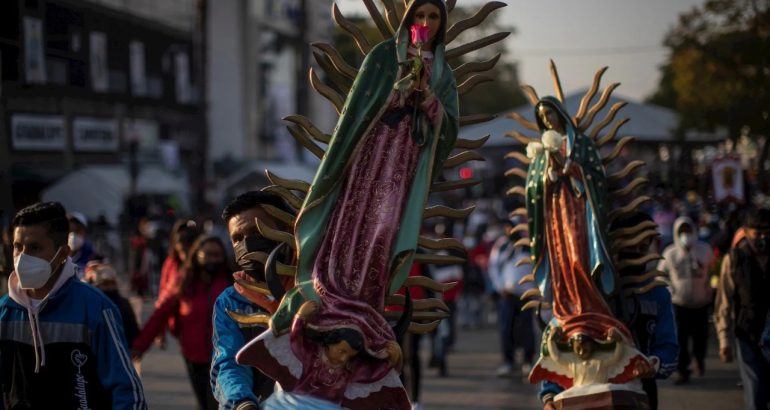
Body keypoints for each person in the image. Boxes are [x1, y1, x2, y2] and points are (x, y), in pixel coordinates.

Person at [0, 202, 146, 408]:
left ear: (62, 254)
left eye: (35, 247)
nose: (22, 257)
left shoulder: (95, 307)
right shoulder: (4, 312)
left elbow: (126, 389)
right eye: (17, 247)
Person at [540, 211, 678, 410]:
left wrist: (652, 364)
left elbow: (668, 347)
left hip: (637, 394)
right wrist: (549, 395)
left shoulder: (657, 293)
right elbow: (557, 348)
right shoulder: (584, 290)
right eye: (631, 244)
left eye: (644, 245)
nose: (638, 252)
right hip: (579, 393)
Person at [211, 191, 296, 409]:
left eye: (256, 231)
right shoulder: (231, 302)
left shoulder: (318, 289)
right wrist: (241, 401)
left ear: (288, 229)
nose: (246, 244)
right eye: (237, 238)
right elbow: (230, 361)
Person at [132, 235, 231, 410]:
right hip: (194, 357)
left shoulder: (231, 281)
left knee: (217, 403)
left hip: (225, 358)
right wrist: (140, 345)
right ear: (197, 255)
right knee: (203, 401)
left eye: (217, 255)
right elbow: (161, 313)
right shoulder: (184, 280)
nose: (212, 260)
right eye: (207, 254)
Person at [715, 208, 770, 410]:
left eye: (767, 232)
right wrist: (723, 340)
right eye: (758, 233)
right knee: (755, 393)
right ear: (746, 232)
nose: (763, 237)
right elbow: (723, 302)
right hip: (748, 336)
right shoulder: (735, 259)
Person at [657, 216, 714, 383]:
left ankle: (699, 359)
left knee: (700, 337)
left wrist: (709, 289)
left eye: (688, 231)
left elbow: (714, 271)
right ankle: (683, 370)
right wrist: (669, 289)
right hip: (679, 304)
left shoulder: (705, 250)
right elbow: (660, 276)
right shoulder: (670, 254)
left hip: (701, 303)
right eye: (682, 232)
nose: (686, 235)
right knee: (680, 339)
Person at [84, 257, 141, 347]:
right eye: (105, 284)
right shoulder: (89, 305)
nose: (110, 287)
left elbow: (133, 331)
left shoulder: (123, 304)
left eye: (112, 283)